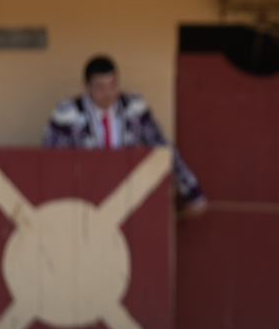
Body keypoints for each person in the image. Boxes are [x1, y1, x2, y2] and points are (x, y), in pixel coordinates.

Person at [43, 55, 207, 216]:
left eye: (113, 85)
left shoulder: (134, 106)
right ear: (86, 85)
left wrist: (191, 191)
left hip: (126, 197)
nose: (108, 93)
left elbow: (160, 146)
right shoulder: (67, 113)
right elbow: (53, 161)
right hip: (83, 198)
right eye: (100, 87)